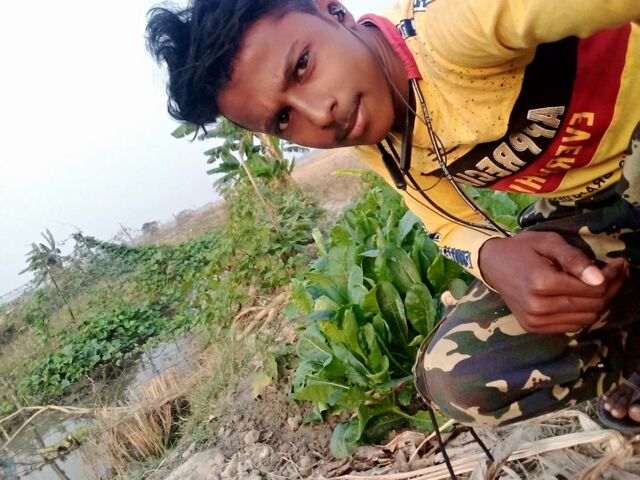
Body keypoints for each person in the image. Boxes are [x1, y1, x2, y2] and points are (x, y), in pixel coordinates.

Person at [146, 0, 640, 430]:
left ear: (333, 11)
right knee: (456, 376)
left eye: (302, 66)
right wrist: (492, 256)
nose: (318, 114)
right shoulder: (380, 140)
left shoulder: (455, 27)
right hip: (593, 206)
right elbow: (443, 222)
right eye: (283, 118)